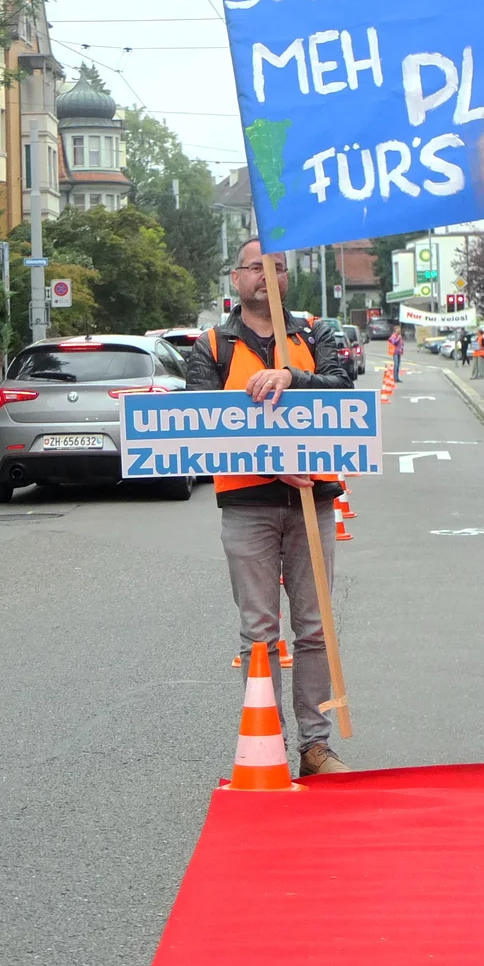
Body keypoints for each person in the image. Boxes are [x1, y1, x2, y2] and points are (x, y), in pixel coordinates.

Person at [185, 238, 354, 778]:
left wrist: (292, 377)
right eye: (256, 267)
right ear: (235, 278)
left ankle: (316, 746)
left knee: (315, 628)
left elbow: (343, 390)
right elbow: (199, 430)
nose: (267, 276)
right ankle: (269, 746)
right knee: (259, 632)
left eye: (277, 268)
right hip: (247, 506)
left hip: (312, 501)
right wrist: (273, 463)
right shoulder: (211, 346)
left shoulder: (315, 334)